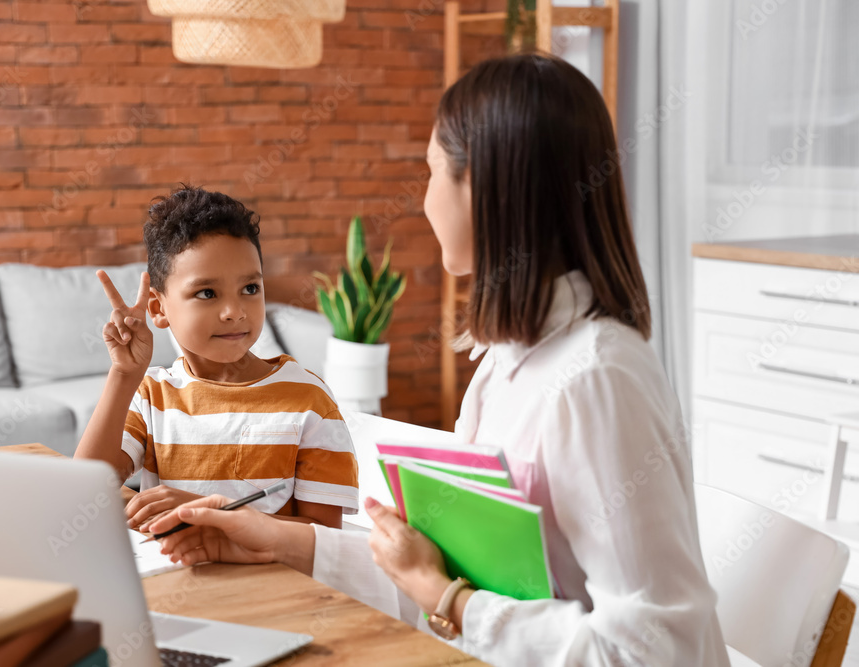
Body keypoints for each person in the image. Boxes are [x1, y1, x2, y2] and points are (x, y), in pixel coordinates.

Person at [147, 55, 730, 666]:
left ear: (483, 187)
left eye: (431, 174)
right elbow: (452, 573)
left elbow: (662, 653)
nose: (424, 202)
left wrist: (447, 599)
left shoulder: (594, 379)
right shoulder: (507, 364)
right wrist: (272, 541)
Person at [74, 185, 359, 530]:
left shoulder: (310, 401)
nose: (234, 311)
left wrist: (206, 511)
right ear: (158, 309)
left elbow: (324, 540)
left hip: (269, 583)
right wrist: (124, 373)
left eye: (250, 289)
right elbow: (88, 486)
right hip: (172, 576)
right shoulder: (151, 396)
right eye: (207, 293)